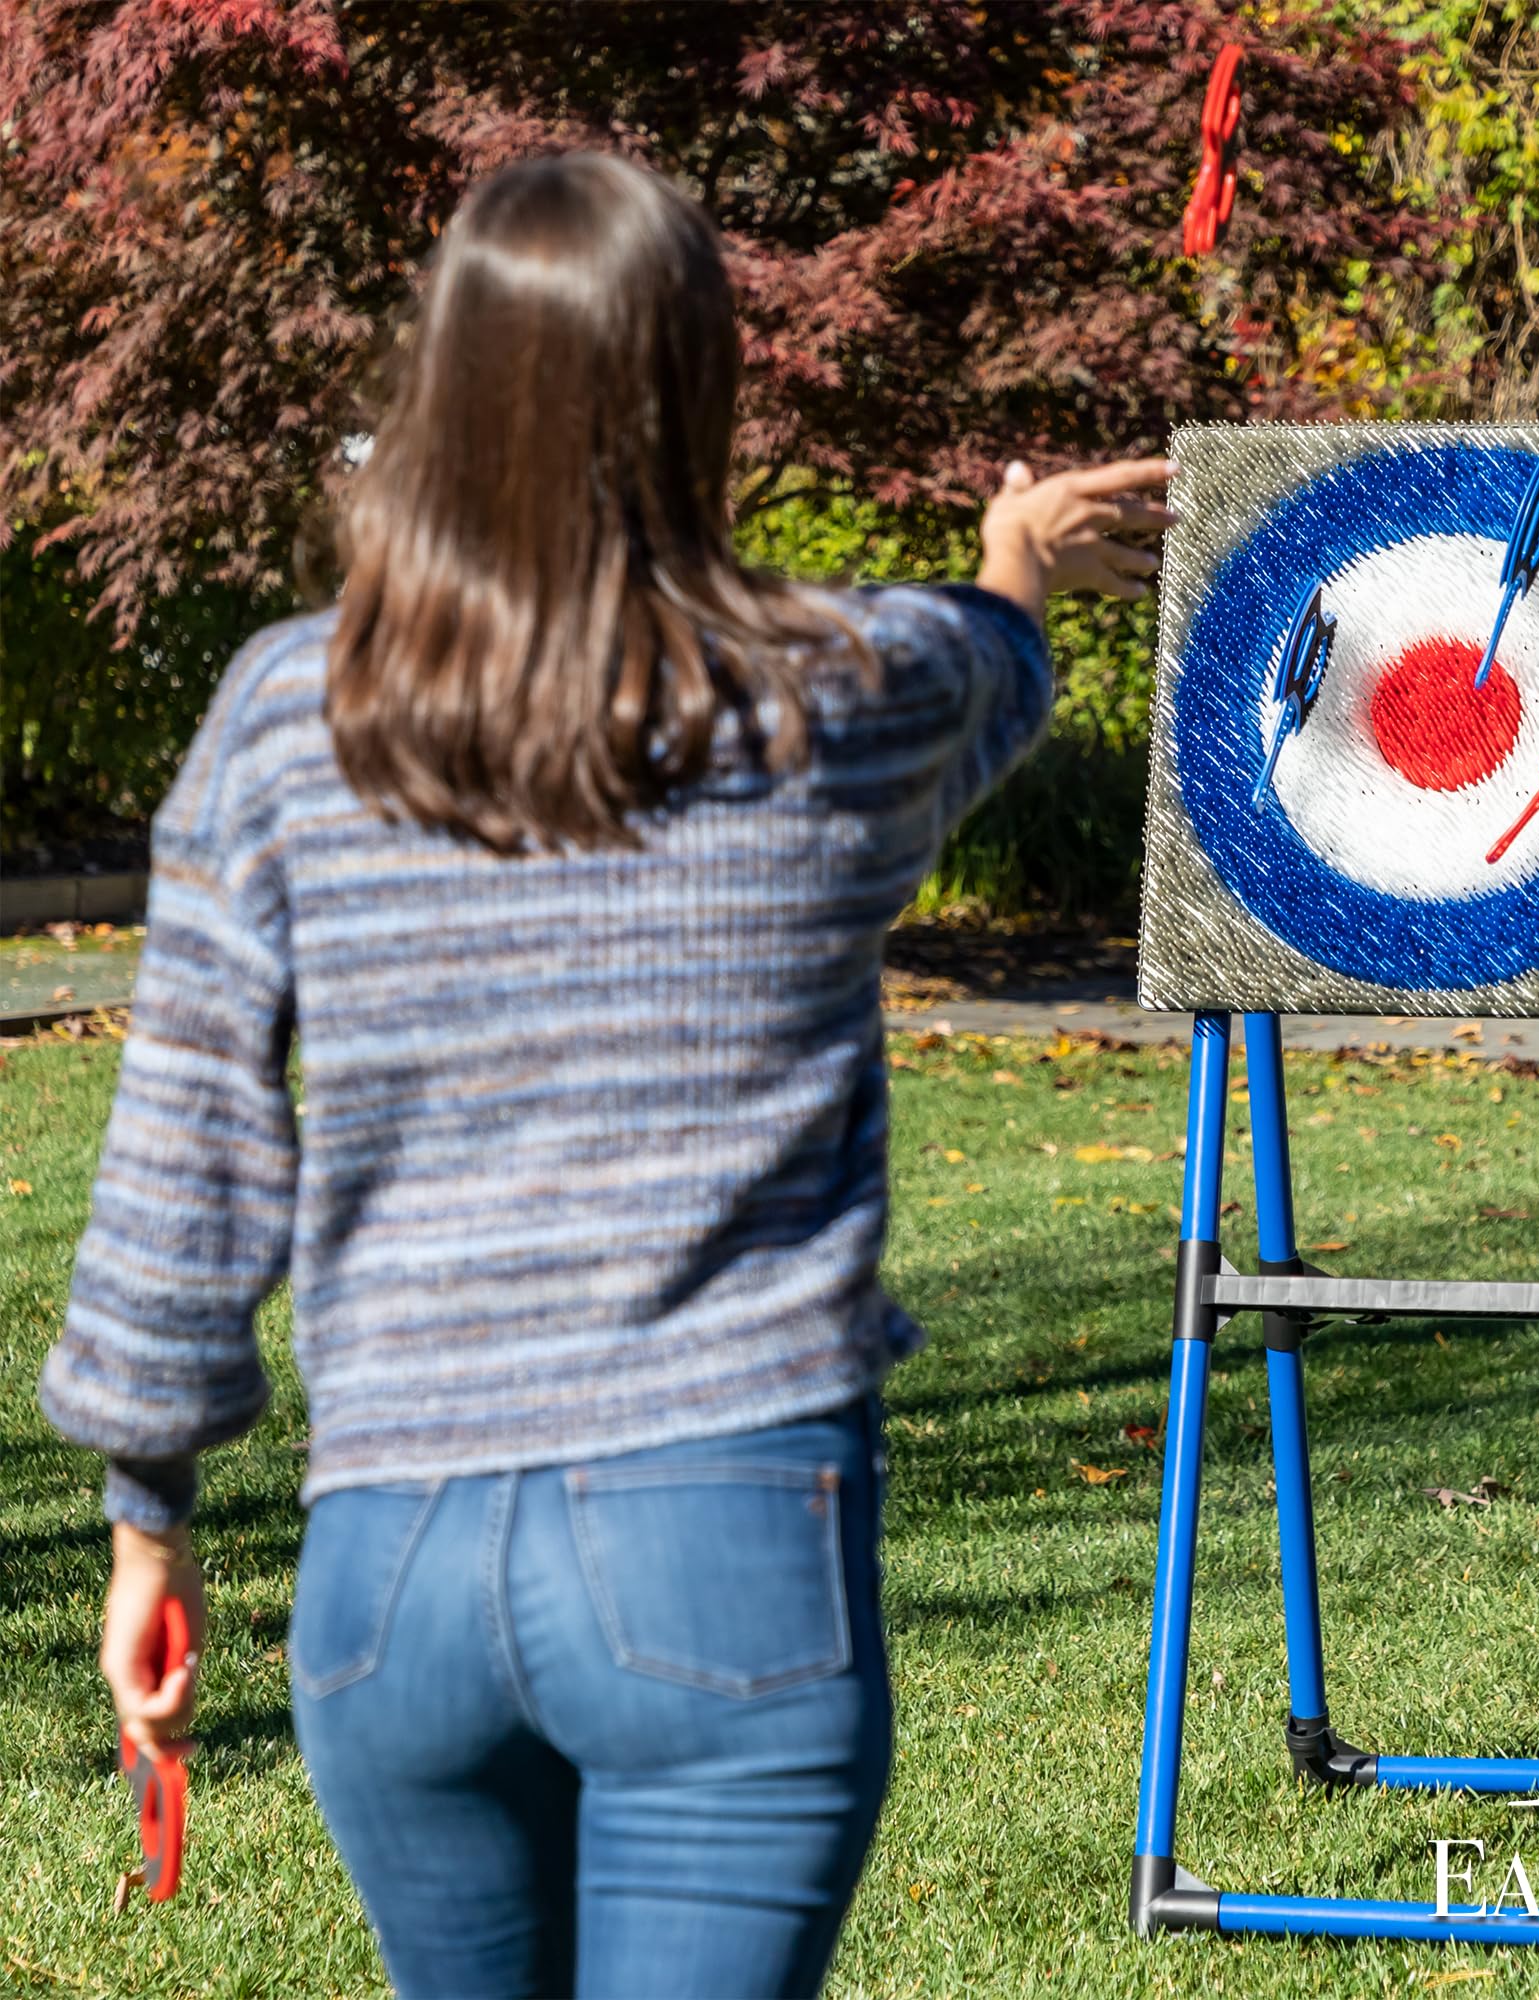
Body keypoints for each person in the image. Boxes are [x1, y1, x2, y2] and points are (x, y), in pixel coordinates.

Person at [39, 149, 1171, 2000]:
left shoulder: (282, 719)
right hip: (722, 1537)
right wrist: (1017, 550)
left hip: (386, 1569)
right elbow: (990, 664)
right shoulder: (832, 695)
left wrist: (145, 1524)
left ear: (441, 384)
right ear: (696, 384)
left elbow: (183, 1167)